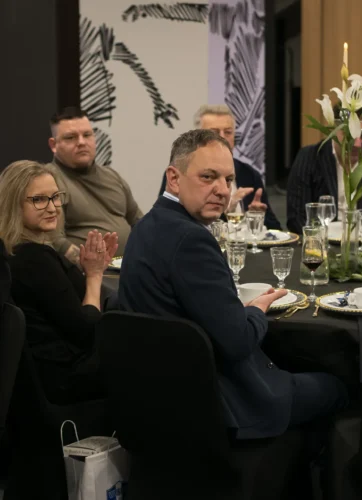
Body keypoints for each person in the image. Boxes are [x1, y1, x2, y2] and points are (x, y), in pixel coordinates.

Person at [121, 129, 348, 439]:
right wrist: (256, 310)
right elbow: (238, 342)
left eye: (227, 180)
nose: (221, 190)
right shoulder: (191, 240)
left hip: (158, 399)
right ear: (173, 179)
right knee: (339, 383)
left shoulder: (146, 226)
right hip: (221, 404)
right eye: (208, 177)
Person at [0, 161, 118, 402]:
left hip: (45, 377)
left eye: (55, 197)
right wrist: (94, 275)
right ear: (14, 204)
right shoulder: (34, 259)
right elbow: (87, 331)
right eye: (39, 199)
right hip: (65, 379)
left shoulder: (17, 252)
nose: (53, 207)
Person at [158, 105, 282, 229]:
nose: (222, 138)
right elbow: (166, 221)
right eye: (214, 133)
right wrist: (225, 212)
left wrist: (257, 218)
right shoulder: (180, 171)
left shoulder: (249, 173)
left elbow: (276, 229)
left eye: (228, 132)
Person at [49, 106, 142, 262]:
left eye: (87, 135)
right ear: (54, 145)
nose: (81, 142)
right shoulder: (49, 180)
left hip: (128, 267)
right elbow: (54, 239)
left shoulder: (112, 176)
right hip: (86, 272)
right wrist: (91, 265)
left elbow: (139, 222)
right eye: (71, 137)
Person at [286, 111, 362, 235]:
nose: (357, 144)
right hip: (321, 241)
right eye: (349, 134)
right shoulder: (310, 157)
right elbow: (296, 217)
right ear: (334, 130)